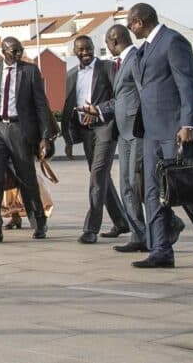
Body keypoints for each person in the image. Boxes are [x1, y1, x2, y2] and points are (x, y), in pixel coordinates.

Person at [127, 3, 193, 269]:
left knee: (182, 189)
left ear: (139, 22)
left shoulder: (173, 42)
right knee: (152, 191)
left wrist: (188, 124)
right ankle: (161, 250)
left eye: (130, 24)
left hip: (174, 129)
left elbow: (187, 84)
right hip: (150, 130)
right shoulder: (145, 48)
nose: (129, 29)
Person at [81, 25, 185, 253]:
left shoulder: (136, 59)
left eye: (106, 43)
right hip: (124, 132)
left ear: (114, 40)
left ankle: (168, 223)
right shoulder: (122, 62)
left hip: (137, 132)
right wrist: (98, 110)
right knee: (128, 186)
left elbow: (144, 94)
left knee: (136, 186)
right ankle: (139, 235)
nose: (107, 48)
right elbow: (121, 98)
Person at [0, 37, 53, 243]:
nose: (18, 54)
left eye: (20, 50)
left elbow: (41, 104)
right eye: (14, 51)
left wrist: (45, 136)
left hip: (20, 128)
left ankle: (39, 222)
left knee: (26, 178)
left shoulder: (30, 71)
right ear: (4, 52)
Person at [61, 35, 131, 244]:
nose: (85, 53)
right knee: (101, 176)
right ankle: (121, 222)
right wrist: (68, 139)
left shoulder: (108, 68)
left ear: (94, 48)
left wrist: (98, 110)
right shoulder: (71, 74)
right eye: (81, 49)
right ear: (75, 51)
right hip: (85, 132)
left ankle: (91, 228)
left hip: (105, 128)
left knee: (98, 175)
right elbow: (69, 108)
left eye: (88, 48)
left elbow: (120, 98)